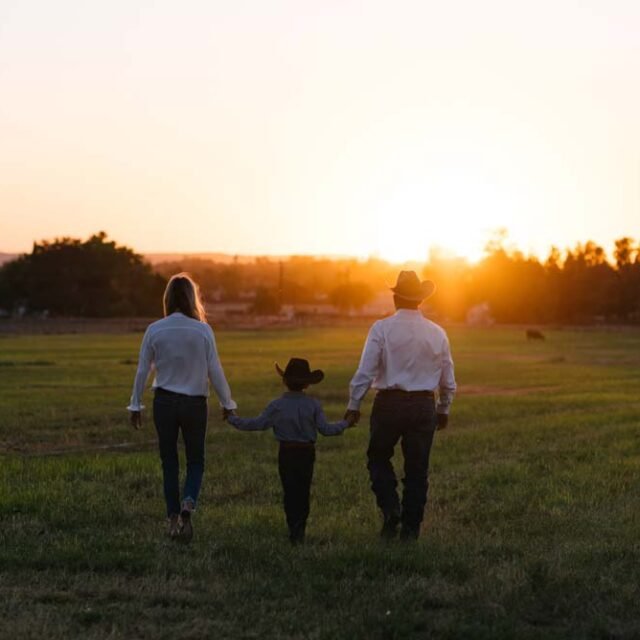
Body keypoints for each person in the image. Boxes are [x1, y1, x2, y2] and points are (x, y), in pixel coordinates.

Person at [344, 270, 456, 541]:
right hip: (423, 406)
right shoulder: (438, 333)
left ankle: (390, 507)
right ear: (420, 300)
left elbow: (366, 371)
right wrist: (443, 409)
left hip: (389, 405)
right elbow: (448, 378)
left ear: (395, 297)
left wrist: (354, 403)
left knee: (378, 457)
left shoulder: (381, 328)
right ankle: (410, 530)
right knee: (417, 470)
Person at [127, 273, 237, 542]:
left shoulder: (155, 329)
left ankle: (173, 518)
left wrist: (135, 404)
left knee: (169, 463)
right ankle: (188, 502)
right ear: (192, 299)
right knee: (196, 460)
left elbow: (143, 369)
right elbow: (215, 369)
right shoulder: (203, 330)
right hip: (194, 404)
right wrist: (228, 403)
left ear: (167, 298)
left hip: (163, 402)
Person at [225, 358, 356, 545]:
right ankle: (299, 530)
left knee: (289, 491)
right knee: (303, 491)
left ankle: (292, 528)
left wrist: (232, 418)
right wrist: (346, 423)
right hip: (306, 454)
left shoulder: (276, 405)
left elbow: (256, 424)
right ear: (307, 383)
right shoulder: (313, 405)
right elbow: (326, 430)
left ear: (285, 381)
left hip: (286, 453)